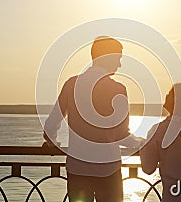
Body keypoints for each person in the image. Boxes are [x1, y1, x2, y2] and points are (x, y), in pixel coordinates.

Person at [43, 36, 142, 202]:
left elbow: (50, 126)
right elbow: (121, 136)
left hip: (77, 169)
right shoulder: (118, 89)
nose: (119, 64)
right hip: (108, 171)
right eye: (118, 58)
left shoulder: (71, 85)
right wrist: (142, 143)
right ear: (108, 58)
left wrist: (52, 142)